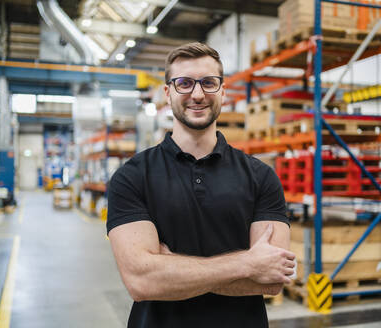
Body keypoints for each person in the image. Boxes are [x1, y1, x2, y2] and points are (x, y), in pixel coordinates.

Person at [107, 42, 296, 328]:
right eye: (184, 83)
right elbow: (142, 281)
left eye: (208, 83)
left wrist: (171, 270)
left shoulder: (260, 176)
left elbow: (271, 281)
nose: (197, 94)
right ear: (168, 93)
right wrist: (248, 263)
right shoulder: (132, 177)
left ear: (222, 91)